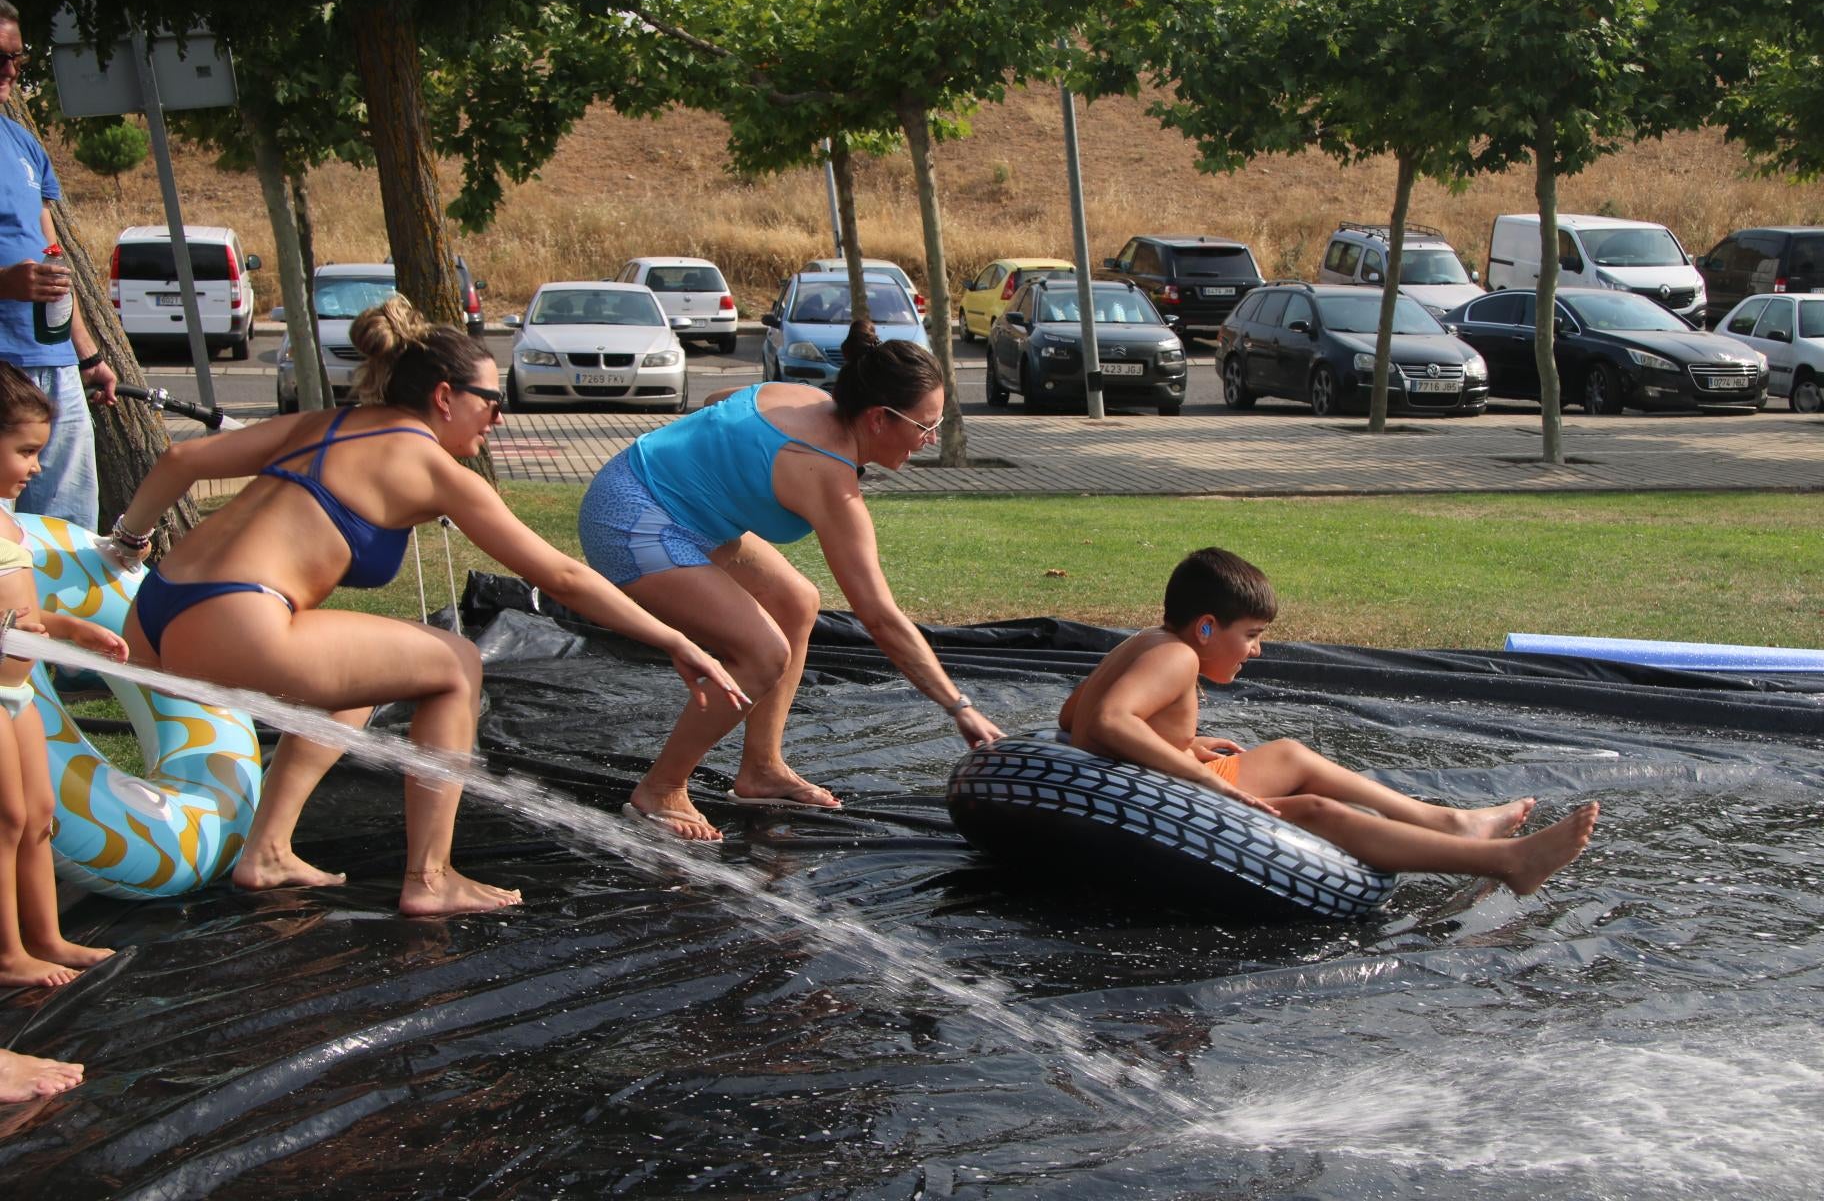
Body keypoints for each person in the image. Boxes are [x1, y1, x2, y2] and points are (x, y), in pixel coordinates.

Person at [108, 297, 749, 916]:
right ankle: (431, 878)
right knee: (455, 663)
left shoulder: (322, 424)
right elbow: (561, 576)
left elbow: (181, 457)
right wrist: (674, 640)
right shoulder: (431, 467)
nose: (498, 418)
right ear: (445, 396)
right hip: (237, 621)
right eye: (491, 402)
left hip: (157, 612)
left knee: (360, 680)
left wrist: (128, 544)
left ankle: (269, 850)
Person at [578, 319, 1004, 841]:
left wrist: (708, 470)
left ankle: (760, 768)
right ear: (877, 419)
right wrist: (957, 706)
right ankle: (661, 788)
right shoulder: (828, 477)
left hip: (669, 506)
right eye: (924, 426)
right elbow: (880, 617)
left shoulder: (801, 397)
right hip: (630, 518)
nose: (930, 440)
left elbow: (721, 399)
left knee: (796, 601)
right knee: (762, 652)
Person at [1059, 547, 1600, 895]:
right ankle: (1505, 861)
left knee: (1291, 754)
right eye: (1250, 635)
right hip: (1150, 796)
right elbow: (1107, 719)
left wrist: (1181, 742)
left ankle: (1449, 820)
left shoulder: (1145, 642)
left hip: (1144, 779)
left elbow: (1074, 712)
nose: (1257, 651)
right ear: (1205, 628)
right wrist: (1197, 773)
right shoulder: (1177, 657)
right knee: (1317, 811)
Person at [0, 364, 123, 988]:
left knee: (40, 811)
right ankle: (8, 953)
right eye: (25, 451)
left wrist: (71, 628)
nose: (37, 468)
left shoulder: (4, 516)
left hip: (17, 693)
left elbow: (19, 606)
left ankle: (46, 935)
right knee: (7, 818)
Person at [0, 0, 118, 530]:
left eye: (17, 59)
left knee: (66, 529)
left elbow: (53, 258)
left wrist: (88, 355)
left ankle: (50, 618)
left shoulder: (23, 144)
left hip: (55, 367)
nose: (9, 70)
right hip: (2, 368)